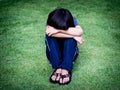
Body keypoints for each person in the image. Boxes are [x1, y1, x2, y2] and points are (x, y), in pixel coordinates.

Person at [45, 8, 84, 85]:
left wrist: (58, 30)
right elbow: (48, 32)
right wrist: (74, 36)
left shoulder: (71, 19)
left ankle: (66, 68)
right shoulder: (52, 19)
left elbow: (80, 31)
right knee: (49, 36)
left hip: (70, 53)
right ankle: (58, 67)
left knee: (70, 40)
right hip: (53, 54)